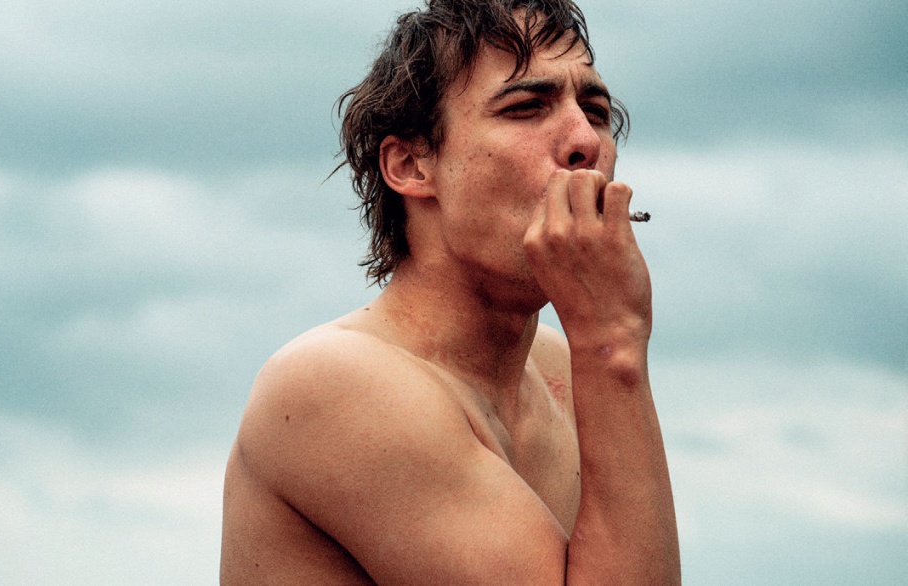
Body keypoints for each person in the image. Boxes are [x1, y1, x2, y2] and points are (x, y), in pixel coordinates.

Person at [220, 0, 680, 583]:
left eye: (595, 111)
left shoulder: (557, 367)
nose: (585, 141)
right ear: (411, 165)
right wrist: (612, 340)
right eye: (525, 108)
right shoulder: (335, 381)